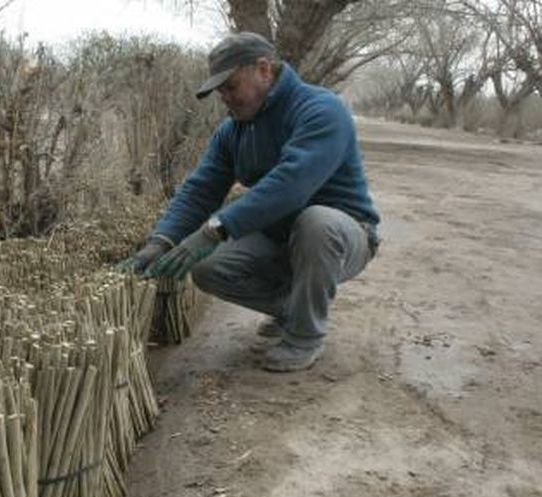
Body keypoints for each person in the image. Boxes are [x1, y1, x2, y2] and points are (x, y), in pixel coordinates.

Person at [119, 32, 380, 372]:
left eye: (230, 86)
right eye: (220, 91)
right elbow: (201, 189)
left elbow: (291, 185)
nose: (225, 98)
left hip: (343, 237)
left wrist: (215, 229)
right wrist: (161, 241)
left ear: (263, 70)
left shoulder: (320, 110)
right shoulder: (233, 131)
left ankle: (304, 336)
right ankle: (293, 309)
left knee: (317, 221)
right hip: (280, 237)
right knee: (208, 268)